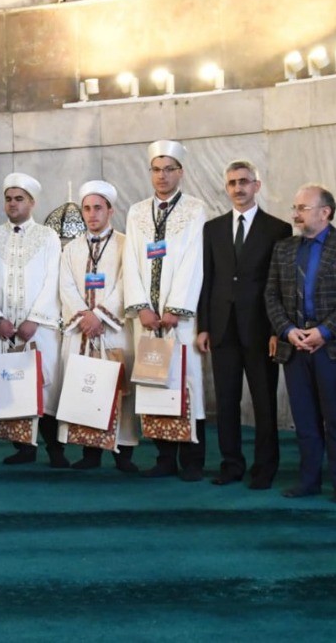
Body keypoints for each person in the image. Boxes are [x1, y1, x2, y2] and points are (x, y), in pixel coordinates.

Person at [266, 183, 336, 503]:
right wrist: (287, 331)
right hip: (294, 346)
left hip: (333, 347)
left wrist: (324, 331)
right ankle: (308, 480)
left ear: (325, 212)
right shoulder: (283, 248)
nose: (295, 214)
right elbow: (270, 295)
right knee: (305, 420)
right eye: (295, 208)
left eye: (302, 208)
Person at [195, 160, 290, 490]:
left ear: (257, 186)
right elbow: (207, 280)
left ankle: (265, 469)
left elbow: (280, 283)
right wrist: (203, 327)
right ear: (227, 187)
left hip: (262, 330)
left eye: (245, 182)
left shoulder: (277, 229)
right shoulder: (213, 228)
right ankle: (231, 464)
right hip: (222, 329)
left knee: (264, 402)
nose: (238, 188)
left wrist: (279, 330)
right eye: (233, 182)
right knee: (226, 400)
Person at [122, 139, 209, 480]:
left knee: (187, 384)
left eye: (168, 170)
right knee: (154, 382)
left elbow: (194, 261)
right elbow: (130, 260)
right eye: (156, 170)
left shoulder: (194, 209)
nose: (161, 176)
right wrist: (142, 307)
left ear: (180, 173)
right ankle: (163, 457)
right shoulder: (137, 211)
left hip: (179, 320)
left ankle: (191, 460)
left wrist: (176, 309)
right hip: (146, 319)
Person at [58, 180, 138, 472]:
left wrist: (101, 316)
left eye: (98, 208)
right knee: (85, 389)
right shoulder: (71, 249)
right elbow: (64, 286)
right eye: (87, 209)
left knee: (119, 391)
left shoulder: (126, 244)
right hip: (82, 333)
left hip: (113, 332)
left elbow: (128, 283)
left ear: (110, 210)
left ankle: (123, 454)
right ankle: (90, 453)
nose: (92, 214)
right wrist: (85, 318)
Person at [0, 173, 64, 467]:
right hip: (4, 328)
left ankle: (55, 449)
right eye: (8, 199)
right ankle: (23, 448)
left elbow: (53, 280)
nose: (13, 204)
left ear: (32, 202)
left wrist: (34, 320)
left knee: (45, 386)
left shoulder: (48, 237)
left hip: (39, 329)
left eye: (19, 199)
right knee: (12, 385)